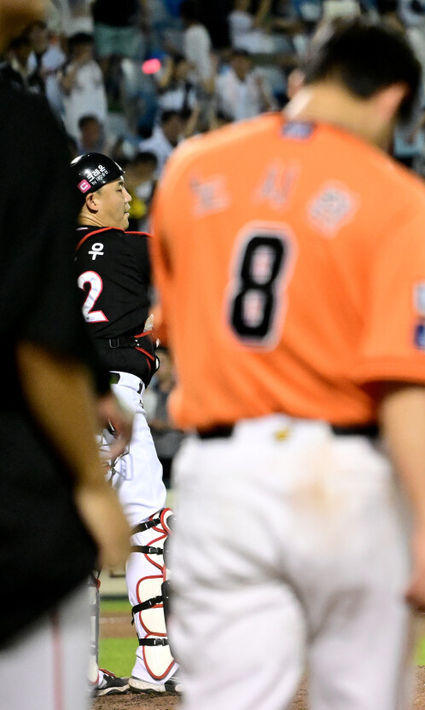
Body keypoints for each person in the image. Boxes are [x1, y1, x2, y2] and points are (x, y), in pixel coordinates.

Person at [149, 19, 425, 709]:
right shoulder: (397, 197)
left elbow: (172, 332)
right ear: (391, 100)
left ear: (302, 81)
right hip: (340, 477)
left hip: (217, 475)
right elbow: (411, 379)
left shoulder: (191, 168)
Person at [0, 2, 129, 708]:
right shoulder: (21, 126)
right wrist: (85, 480)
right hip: (23, 482)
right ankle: (153, 658)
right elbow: (37, 339)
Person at [71, 151, 180, 695]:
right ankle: (155, 663)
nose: (127, 197)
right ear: (92, 197)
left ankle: (86, 666)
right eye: (117, 188)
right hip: (116, 394)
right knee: (147, 526)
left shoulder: (49, 258)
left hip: (62, 401)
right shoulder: (131, 246)